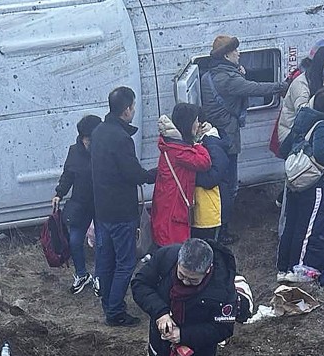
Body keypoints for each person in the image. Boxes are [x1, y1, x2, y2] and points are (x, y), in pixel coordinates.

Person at [200, 35, 288, 243]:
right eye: (235, 51)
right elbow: (254, 88)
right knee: (229, 186)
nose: (239, 53)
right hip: (226, 139)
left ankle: (218, 228)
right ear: (227, 55)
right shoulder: (228, 79)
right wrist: (281, 86)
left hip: (216, 136)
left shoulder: (211, 75)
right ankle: (222, 232)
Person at [90, 86, 157, 327]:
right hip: (120, 211)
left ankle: (108, 303)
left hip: (102, 210)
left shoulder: (98, 132)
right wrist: (153, 175)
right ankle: (116, 311)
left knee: (106, 260)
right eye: (133, 107)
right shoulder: (121, 138)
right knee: (126, 262)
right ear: (127, 109)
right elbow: (131, 173)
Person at [275, 87, 324, 282]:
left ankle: (282, 268)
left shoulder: (303, 117)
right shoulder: (322, 125)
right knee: (305, 229)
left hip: (293, 180)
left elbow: (285, 147)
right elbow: (321, 152)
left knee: (290, 225)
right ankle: (297, 269)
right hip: (311, 184)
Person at [52, 114, 102, 294]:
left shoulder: (104, 149)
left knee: (102, 242)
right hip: (80, 203)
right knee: (74, 241)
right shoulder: (74, 151)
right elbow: (68, 175)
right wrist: (59, 193)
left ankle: (100, 276)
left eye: (89, 138)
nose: (86, 142)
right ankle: (82, 274)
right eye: (84, 138)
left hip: (101, 203)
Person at [152, 103, 211, 247]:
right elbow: (204, 162)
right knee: (174, 248)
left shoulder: (172, 143)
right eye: (196, 121)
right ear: (188, 124)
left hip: (166, 205)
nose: (198, 124)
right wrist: (198, 143)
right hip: (174, 210)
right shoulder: (179, 151)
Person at [274, 43, 324, 156]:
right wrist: (323, 95)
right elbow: (302, 112)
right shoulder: (301, 83)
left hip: (308, 135)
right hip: (293, 136)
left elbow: (319, 111)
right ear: (322, 64)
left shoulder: (319, 81)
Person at [192, 123, 231, 241]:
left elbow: (212, 178)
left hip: (214, 206)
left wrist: (192, 176)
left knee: (211, 244)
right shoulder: (206, 143)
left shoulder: (212, 145)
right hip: (207, 206)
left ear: (202, 126)